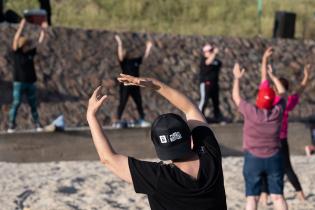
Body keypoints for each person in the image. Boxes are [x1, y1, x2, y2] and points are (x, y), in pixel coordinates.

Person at [86, 74, 227, 210]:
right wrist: (155, 85)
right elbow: (190, 109)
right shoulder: (210, 154)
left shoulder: (158, 178)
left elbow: (108, 159)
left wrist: (91, 116)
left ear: (160, 148)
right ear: (190, 140)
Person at [232, 63, 288, 210]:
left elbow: (236, 97)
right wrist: (273, 77)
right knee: (278, 196)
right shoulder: (277, 112)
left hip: (253, 158)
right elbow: (283, 94)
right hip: (274, 157)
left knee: (252, 198)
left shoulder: (251, 112)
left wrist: (237, 78)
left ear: (258, 100)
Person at [259, 48, 309, 202]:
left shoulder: (268, 99)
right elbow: (300, 90)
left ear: (275, 87)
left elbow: (263, 76)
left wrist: (265, 59)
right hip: (282, 140)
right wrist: (306, 76)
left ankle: (264, 195)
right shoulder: (286, 102)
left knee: (263, 168)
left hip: (267, 139)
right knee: (287, 167)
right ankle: (300, 193)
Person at [7, 18, 48, 133]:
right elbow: (16, 39)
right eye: (26, 45)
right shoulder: (17, 53)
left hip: (30, 82)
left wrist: (43, 31)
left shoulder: (30, 53)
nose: (28, 47)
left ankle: (37, 124)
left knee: (33, 104)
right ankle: (11, 125)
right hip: (19, 82)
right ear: (22, 45)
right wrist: (21, 26)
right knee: (16, 103)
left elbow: (40, 44)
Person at [113, 35, 153, 128]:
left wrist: (148, 48)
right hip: (125, 85)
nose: (123, 52)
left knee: (139, 102)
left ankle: (142, 120)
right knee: (122, 102)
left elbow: (144, 58)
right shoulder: (124, 62)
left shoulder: (134, 61)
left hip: (136, 84)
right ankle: (118, 121)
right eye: (123, 51)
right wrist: (120, 43)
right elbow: (120, 55)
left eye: (124, 51)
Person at [198, 44, 223, 123]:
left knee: (216, 102)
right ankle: (199, 116)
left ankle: (217, 116)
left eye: (212, 50)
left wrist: (214, 56)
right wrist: (214, 54)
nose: (211, 52)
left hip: (214, 84)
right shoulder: (203, 60)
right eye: (210, 51)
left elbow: (219, 63)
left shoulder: (216, 61)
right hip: (206, 84)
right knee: (204, 100)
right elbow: (208, 62)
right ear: (205, 52)